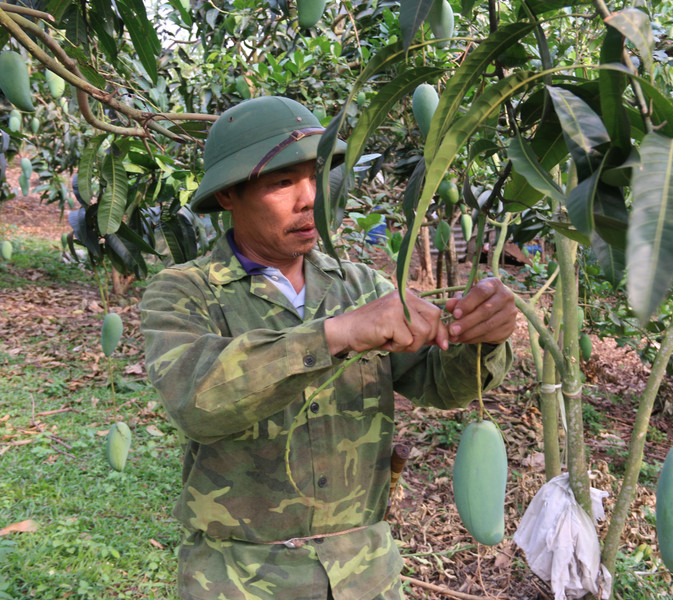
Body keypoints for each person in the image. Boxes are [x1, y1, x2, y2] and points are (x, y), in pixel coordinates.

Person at [139, 95, 518, 600]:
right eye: (282, 183)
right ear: (229, 195)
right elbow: (195, 400)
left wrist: (481, 340)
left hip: (364, 572)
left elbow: (436, 385)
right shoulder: (185, 290)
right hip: (240, 578)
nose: (309, 200)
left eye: (316, 179)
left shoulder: (362, 286)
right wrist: (335, 335)